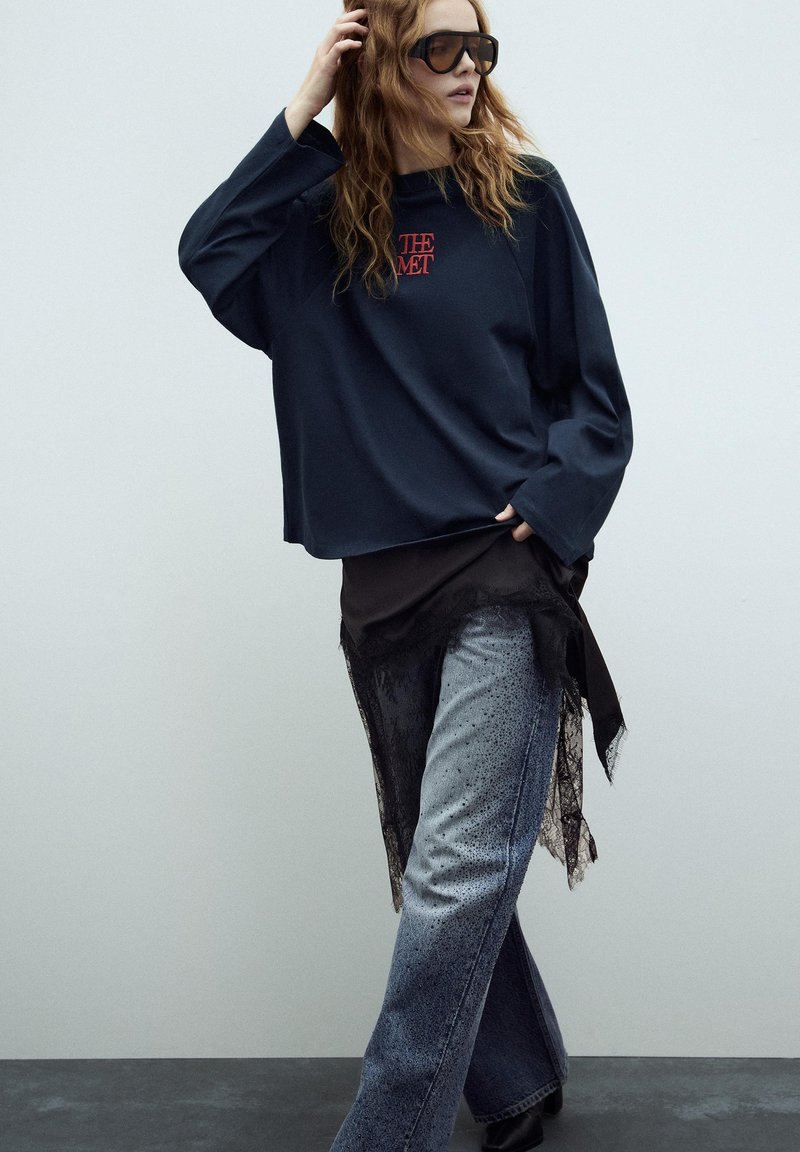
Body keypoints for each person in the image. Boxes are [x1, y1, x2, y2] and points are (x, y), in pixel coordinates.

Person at [178, 1, 633, 1148]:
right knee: (443, 857)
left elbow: (593, 399)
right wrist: (304, 107)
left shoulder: (525, 202)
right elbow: (208, 251)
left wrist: (547, 513)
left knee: (454, 868)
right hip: (379, 594)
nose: (468, 67)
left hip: (498, 582)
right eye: (441, 47)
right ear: (378, 62)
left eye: (481, 46)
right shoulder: (318, 229)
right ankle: (514, 1077)